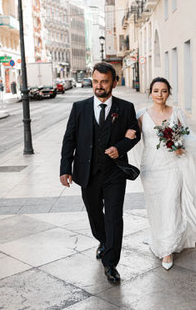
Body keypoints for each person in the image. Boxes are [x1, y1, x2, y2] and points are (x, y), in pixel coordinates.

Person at [60, 62, 141, 283]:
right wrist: (65, 169)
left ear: (114, 82)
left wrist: (120, 147)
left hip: (114, 173)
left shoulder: (125, 108)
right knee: (95, 215)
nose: (99, 86)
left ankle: (110, 263)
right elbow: (69, 140)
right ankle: (103, 241)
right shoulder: (79, 108)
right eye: (96, 81)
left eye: (104, 82)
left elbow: (135, 133)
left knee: (114, 217)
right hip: (87, 173)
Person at [127, 77, 196, 270]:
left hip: (173, 166)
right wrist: (128, 135)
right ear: (150, 92)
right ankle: (159, 236)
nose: (160, 94)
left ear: (169, 93)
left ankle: (167, 249)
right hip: (150, 167)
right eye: (156, 90)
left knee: (171, 204)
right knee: (156, 205)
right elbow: (132, 139)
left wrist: (179, 146)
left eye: (164, 90)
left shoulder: (176, 113)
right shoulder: (141, 115)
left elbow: (186, 136)